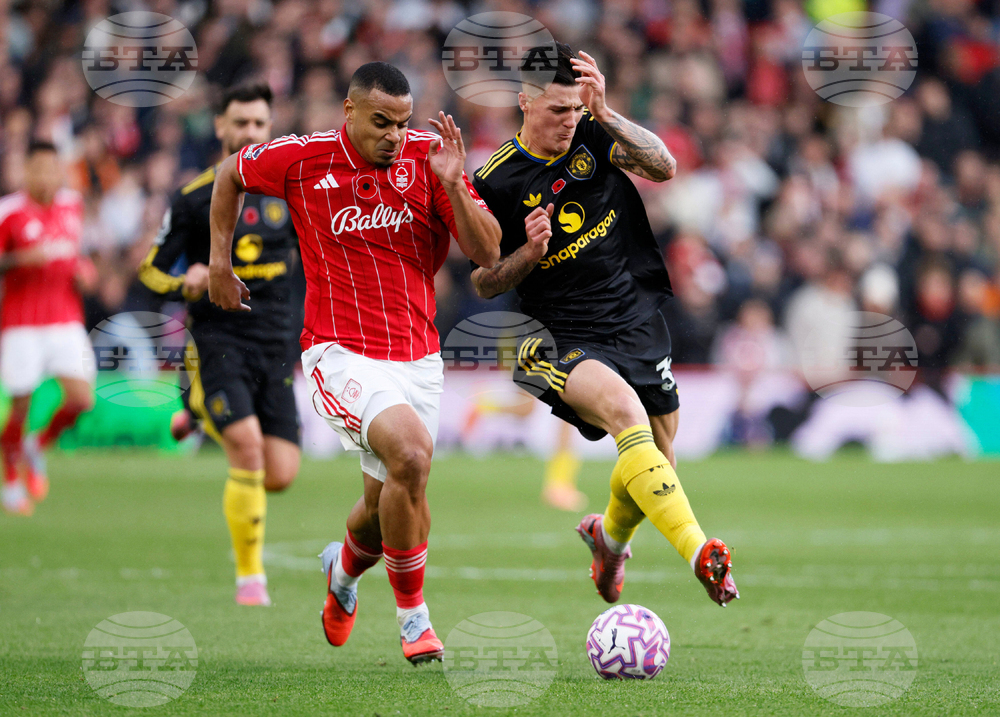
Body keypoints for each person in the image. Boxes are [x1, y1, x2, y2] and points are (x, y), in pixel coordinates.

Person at [207, 62, 500, 662]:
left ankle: (342, 573)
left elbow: (487, 252)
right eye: (381, 122)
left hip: (418, 359)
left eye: (402, 122)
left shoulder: (429, 157)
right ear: (348, 112)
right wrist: (219, 262)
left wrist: (451, 183)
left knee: (381, 504)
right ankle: (414, 619)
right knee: (412, 456)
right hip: (337, 353)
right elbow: (228, 175)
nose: (394, 135)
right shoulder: (301, 157)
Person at [470, 44, 739, 607]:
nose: (569, 121)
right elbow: (483, 280)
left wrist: (606, 111)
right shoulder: (495, 180)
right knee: (626, 416)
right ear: (524, 101)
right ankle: (699, 553)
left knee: (657, 457)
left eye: (575, 109)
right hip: (558, 333)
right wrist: (530, 253)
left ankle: (609, 540)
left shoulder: (594, 131)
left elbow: (664, 168)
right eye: (557, 111)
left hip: (634, 316)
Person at [138, 84, 302, 607]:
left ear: (269, 127)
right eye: (241, 123)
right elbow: (149, 271)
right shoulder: (192, 198)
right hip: (217, 337)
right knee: (248, 450)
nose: (250, 133)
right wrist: (185, 281)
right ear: (220, 127)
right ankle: (250, 579)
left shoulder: (292, 193)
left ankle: (198, 408)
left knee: (280, 475)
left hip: (276, 340)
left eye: (259, 124)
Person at [0, 140, 97, 515]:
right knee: (20, 406)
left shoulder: (72, 205)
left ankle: (36, 446)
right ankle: (10, 476)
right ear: (27, 171)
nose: (46, 176)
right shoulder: (10, 211)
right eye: (38, 168)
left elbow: (77, 255)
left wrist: (84, 271)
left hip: (64, 317)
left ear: (60, 171)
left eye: (52, 168)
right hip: (21, 321)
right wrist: (22, 258)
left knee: (81, 400)